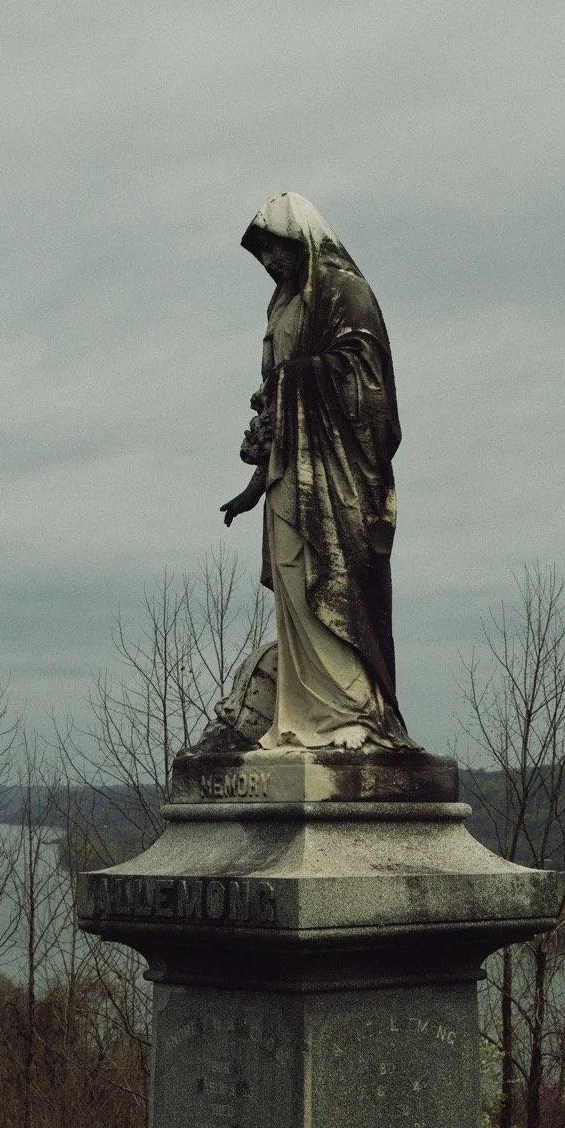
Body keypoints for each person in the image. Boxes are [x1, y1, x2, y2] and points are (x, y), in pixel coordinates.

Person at [221, 193, 418, 751]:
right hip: (292, 468)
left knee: (333, 579)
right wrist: (255, 481)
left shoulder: (343, 292)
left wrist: (288, 384)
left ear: (301, 239)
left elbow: (365, 379)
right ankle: (302, 714)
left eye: (276, 252)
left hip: (337, 476)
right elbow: (272, 402)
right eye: (262, 259)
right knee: (293, 580)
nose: (271, 266)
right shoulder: (280, 306)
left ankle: (349, 713)